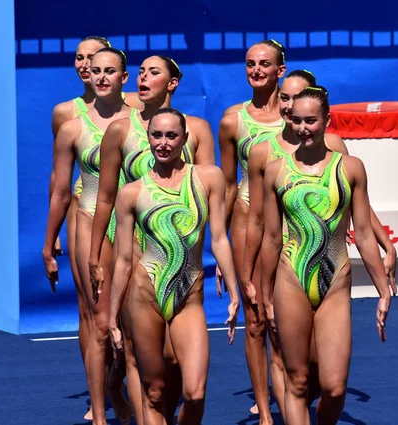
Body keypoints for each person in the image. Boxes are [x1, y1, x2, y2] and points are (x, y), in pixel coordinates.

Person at [241, 73, 398, 418]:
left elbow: (364, 234)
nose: (302, 127)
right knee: (297, 382)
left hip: (336, 284)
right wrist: (264, 295)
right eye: (296, 120)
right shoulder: (275, 171)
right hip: (289, 281)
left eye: (310, 120)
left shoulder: (351, 168)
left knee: (334, 387)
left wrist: (382, 289)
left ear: (327, 120)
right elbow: (270, 237)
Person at [88, 55, 215, 424]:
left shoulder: (200, 131)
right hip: (134, 259)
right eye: (140, 72)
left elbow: (205, 198)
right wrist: (97, 256)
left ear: (173, 83)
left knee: (175, 362)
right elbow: (107, 198)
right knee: (135, 355)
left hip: (182, 269)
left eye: (153, 73)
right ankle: (125, 397)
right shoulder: (120, 130)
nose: (143, 79)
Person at [104, 108, 240, 425]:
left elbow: (219, 239)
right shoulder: (131, 193)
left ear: (185, 138)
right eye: (156, 135)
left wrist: (234, 293)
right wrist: (112, 316)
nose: (163, 143)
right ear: (147, 138)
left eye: (171, 135)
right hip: (144, 299)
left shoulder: (209, 178)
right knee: (154, 393)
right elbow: (124, 259)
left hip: (189, 300)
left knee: (195, 393)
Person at [47, 36, 143, 421]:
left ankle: (115, 383)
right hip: (88, 217)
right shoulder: (67, 118)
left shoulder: (140, 109)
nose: (89, 68)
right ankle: (100, 400)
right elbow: (59, 185)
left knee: (133, 316)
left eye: (100, 63)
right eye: (82, 60)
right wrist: (49, 239)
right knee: (96, 317)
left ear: (121, 73)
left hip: (134, 221)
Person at [217, 39, 287, 425]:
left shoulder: (298, 114)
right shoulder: (232, 120)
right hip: (248, 227)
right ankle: (264, 409)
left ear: (280, 70)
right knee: (257, 319)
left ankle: (291, 388)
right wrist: (222, 248)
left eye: (264, 64)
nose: (256, 69)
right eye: (249, 63)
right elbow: (228, 186)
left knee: (293, 320)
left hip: (295, 227)